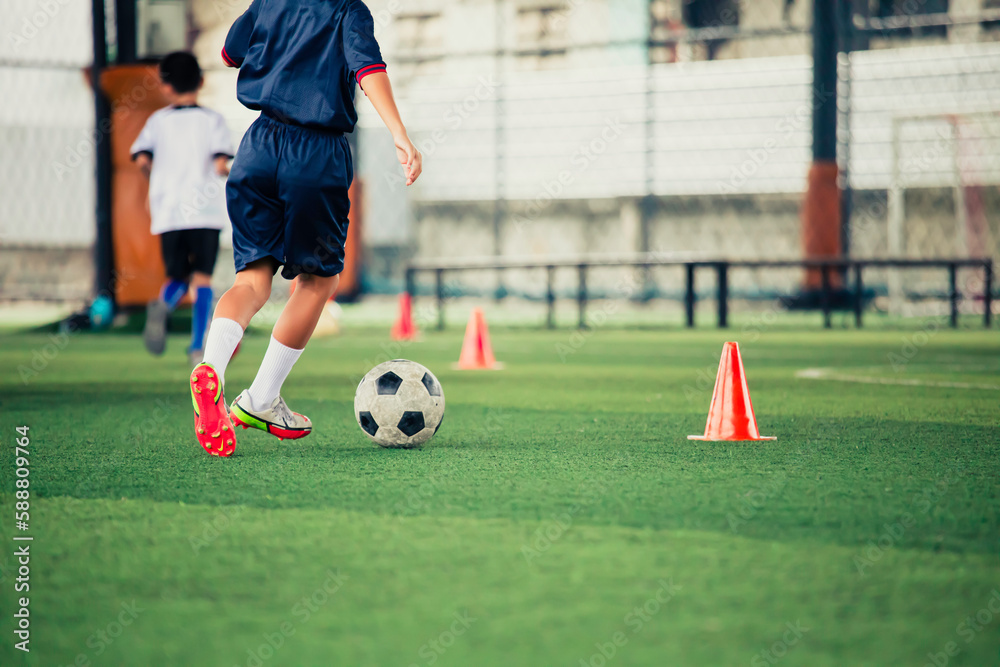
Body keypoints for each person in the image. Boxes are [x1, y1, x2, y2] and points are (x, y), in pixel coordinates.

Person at [189, 0, 422, 456]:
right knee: (318, 281)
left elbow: (229, 54)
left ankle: (212, 369)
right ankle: (259, 398)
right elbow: (367, 67)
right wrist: (399, 131)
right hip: (315, 155)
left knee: (251, 280)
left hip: (257, 147)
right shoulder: (348, 10)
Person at [132, 51, 234, 365]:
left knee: (176, 274)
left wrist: (158, 176)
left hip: (170, 211)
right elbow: (220, 164)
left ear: (165, 87)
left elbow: (141, 159)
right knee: (202, 277)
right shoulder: (212, 120)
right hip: (205, 212)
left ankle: (165, 303)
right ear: (201, 81)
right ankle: (197, 347)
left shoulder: (156, 122)